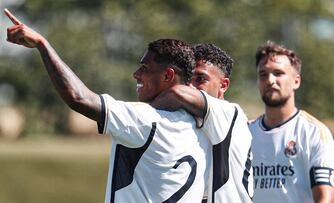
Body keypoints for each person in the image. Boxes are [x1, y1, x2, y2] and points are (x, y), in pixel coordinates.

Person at [4, 9, 212, 203]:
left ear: (168, 75)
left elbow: (79, 98)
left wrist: (42, 44)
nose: (136, 74)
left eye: (145, 67)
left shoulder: (147, 120)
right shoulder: (202, 130)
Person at [152, 43, 253, 203]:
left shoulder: (230, 113)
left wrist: (143, 112)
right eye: (188, 79)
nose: (191, 86)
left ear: (223, 85)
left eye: (201, 79)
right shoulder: (190, 122)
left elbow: (177, 93)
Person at [249, 41, 334, 203]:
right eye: (263, 74)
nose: (270, 80)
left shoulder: (314, 133)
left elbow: (325, 199)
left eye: (278, 73)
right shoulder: (246, 133)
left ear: (296, 81)